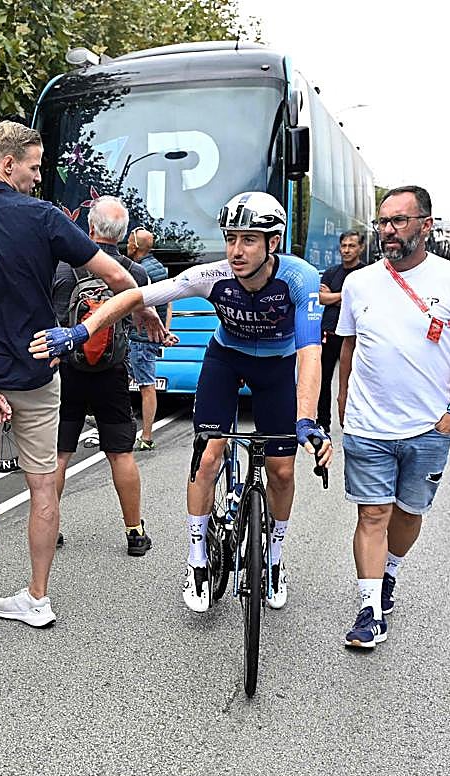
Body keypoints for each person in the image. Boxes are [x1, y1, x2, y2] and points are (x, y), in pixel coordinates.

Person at [0, 120, 164, 650]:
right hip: (40, 372)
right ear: (7, 164)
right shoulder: (46, 219)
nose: (38, 174)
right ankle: (36, 598)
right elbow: (119, 277)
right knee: (43, 485)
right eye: (33, 165)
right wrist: (140, 314)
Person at [32, 191, 332, 614]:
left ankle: (275, 560)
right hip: (226, 359)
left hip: (278, 368)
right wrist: (81, 332)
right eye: (230, 238)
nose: (236, 251)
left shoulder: (299, 280)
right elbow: (135, 296)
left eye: (248, 240)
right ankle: (197, 560)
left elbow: (310, 355)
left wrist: (307, 421)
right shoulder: (213, 274)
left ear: (274, 241)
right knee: (208, 458)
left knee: (281, 470)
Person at [336, 186, 450, 647]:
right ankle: (369, 608)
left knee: (408, 512)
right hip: (368, 423)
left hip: (428, 426)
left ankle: (390, 571)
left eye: (398, 221)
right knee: (373, 512)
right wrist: (340, 404)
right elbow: (348, 346)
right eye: (382, 222)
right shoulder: (359, 283)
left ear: (426, 224)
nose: (387, 231)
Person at [51, 196, 155, 557]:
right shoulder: (135, 273)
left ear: (90, 227)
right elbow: (138, 319)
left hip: (67, 369)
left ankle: (51, 528)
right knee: (120, 453)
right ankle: (135, 532)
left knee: (60, 453)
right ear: (123, 233)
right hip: (112, 372)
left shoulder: (63, 267)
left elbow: (53, 315)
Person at [125, 225, 171, 449]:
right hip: (150, 338)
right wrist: (166, 331)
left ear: (135, 246)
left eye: (129, 242)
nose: (127, 245)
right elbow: (169, 302)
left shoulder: (140, 272)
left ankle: (146, 436)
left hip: (140, 338)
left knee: (146, 386)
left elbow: (138, 305)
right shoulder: (160, 268)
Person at [317, 230, 365, 431]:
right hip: (329, 333)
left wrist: (334, 297)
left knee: (355, 380)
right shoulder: (331, 272)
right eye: (343, 246)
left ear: (361, 248)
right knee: (323, 378)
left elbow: (361, 303)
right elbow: (320, 298)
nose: (346, 250)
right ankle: (323, 423)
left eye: (351, 246)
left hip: (353, 337)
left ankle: (354, 421)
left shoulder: (365, 274)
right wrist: (344, 297)